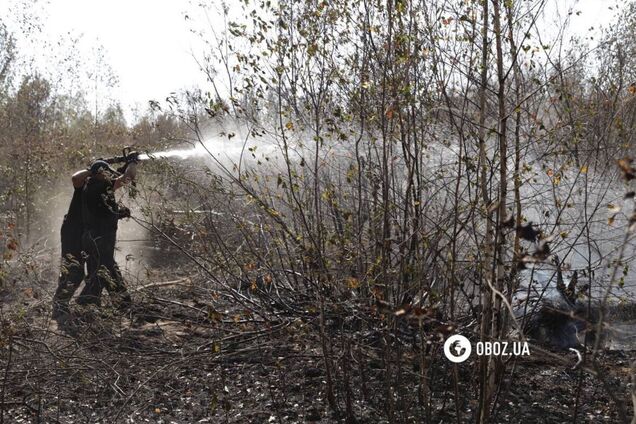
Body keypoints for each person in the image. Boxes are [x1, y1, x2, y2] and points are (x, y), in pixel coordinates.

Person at [77, 159, 137, 309]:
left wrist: (118, 213)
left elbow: (100, 211)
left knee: (104, 268)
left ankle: (121, 303)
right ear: (100, 174)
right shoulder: (101, 186)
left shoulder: (90, 186)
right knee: (104, 270)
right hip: (100, 238)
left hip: (91, 237)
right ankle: (85, 302)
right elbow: (128, 177)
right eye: (106, 173)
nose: (109, 175)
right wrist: (133, 162)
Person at [51, 168, 92, 321]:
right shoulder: (83, 185)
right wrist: (92, 168)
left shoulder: (102, 187)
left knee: (81, 271)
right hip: (72, 231)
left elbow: (125, 179)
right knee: (74, 271)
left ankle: (63, 305)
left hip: (85, 234)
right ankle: (60, 306)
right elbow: (75, 178)